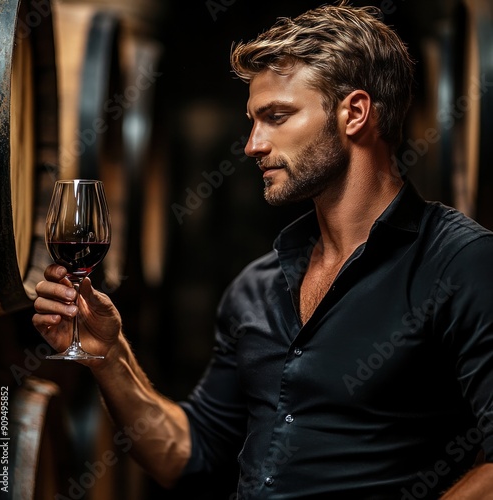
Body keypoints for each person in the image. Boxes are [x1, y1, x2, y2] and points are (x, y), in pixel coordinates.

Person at [33, 2, 493, 499]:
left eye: (277, 117)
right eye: (253, 120)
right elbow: (191, 457)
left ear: (355, 113)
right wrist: (109, 357)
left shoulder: (461, 264)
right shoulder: (257, 285)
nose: (252, 144)